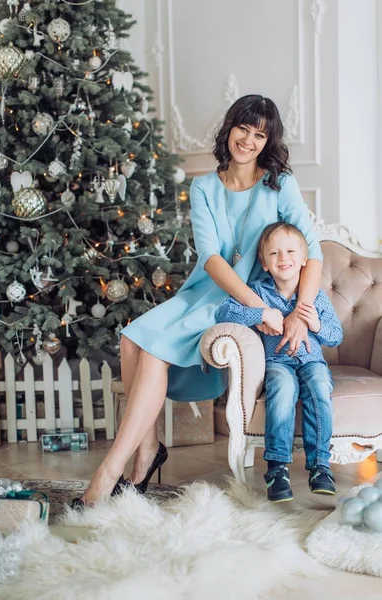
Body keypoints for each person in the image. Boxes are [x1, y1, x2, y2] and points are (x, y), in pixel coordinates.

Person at [71, 94, 325, 508]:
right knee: (132, 339)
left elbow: (312, 253)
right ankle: (148, 449)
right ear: (230, 129)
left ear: (268, 140)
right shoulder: (204, 186)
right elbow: (210, 259)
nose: (249, 140)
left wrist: (295, 311)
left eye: (260, 134)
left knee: (151, 351)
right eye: (243, 128)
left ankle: (110, 471)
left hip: (249, 299)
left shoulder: (280, 184)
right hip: (209, 289)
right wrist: (255, 307)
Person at [216, 222, 343, 502]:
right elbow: (225, 312)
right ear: (264, 262)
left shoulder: (315, 296)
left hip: (312, 362)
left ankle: (320, 466)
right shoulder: (258, 293)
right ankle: (276, 468)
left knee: (320, 384)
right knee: (283, 388)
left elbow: (336, 337)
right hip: (277, 362)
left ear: (304, 260)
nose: (283, 258)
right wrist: (259, 316)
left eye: (289, 251)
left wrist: (317, 324)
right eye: (274, 253)